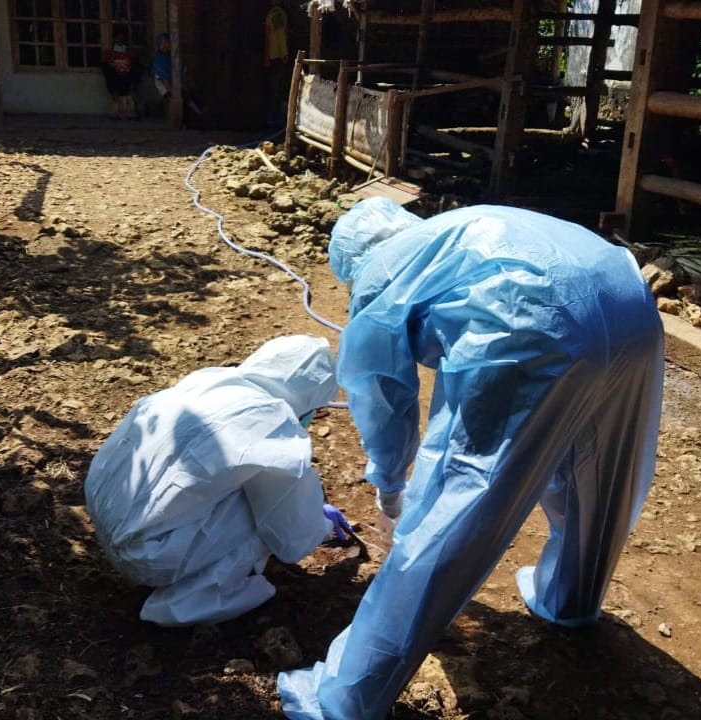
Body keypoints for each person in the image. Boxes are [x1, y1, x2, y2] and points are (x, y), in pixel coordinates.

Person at [278, 199, 664, 719]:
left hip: (529, 327)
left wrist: (391, 487)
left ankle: (346, 697)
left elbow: (381, 393)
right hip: (631, 310)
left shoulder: (380, 271)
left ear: (351, 261)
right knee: (595, 470)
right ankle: (570, 600)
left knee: (448, 514)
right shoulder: (450, 233)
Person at [84, 335, 352, 627]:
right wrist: (318, 521)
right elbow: (290, 540)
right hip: (144, 557)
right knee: (263, 514)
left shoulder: (211, 381)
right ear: (311, 400)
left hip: (102, 508)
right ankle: (191, 602)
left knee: (243, 485)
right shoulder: (277, 425)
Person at [101, 27, 142, 120]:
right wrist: (111, 65)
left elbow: (137, 67)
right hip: (115, 78)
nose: (120, 41)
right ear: (114, 39)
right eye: (118, 38)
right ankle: (117, 111)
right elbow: (105, 67)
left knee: (134, 77)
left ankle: (130, 111)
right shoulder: (108, 53)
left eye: (122, 39)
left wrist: (129, 66)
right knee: (111, 77)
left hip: (128, 78)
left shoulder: (131, 53)